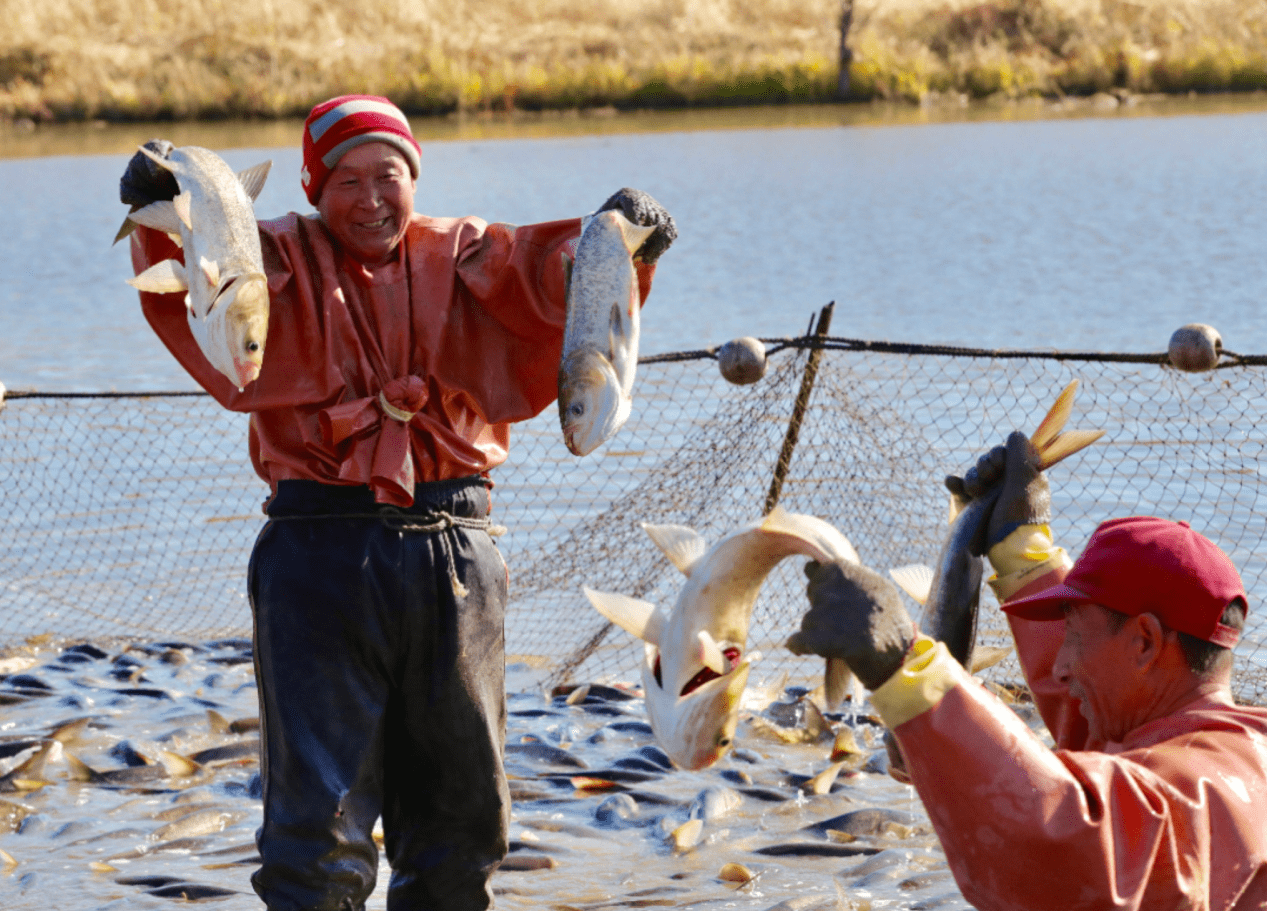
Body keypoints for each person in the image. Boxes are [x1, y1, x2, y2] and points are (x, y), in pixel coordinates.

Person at [119, 94, 676, 911]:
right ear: (312, 189)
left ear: (415, 176)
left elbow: (557, 272)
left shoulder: (467, 252)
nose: (372, 197)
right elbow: (182, 255)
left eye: (390, 175)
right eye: (347, 180)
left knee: (463, 817)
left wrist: (629, 234)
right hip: (316, 552)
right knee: (315, 828)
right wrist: (155, 195)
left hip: (457, 550)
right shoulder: (267, 255)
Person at [787, 431, 1267, 910]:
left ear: (1145, 642)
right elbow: (1098, 745)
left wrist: (910, 672)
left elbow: (1064, 845)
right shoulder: (1227, 745)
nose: (1059, 666)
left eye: (1074, 638)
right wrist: (1022, 551)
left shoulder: (1201, 788)